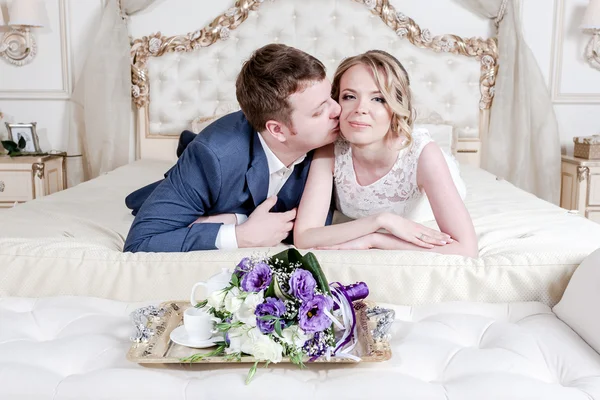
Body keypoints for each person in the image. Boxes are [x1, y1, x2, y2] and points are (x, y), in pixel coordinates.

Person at [123, 43, 341, 252]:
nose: (338, 109)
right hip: (218, 164)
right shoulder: (212, 157)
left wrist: (235, 217)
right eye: (318, 111)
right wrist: (240, 234)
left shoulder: (333, 138)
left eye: (331, 97)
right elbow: (140, 242)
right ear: (277, 130)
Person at [293, 50, 478, 257]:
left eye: (378, 99)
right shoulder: (330, 149)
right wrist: (381, 221)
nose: (360, 108)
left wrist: (376, 240)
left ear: (396, 107)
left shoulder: (424, 155)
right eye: (349, 96)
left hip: (429, 174)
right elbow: (304, 236)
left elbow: (466, 249)